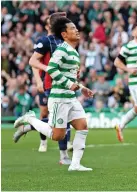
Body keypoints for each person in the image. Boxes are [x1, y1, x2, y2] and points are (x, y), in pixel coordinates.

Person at [13, 17, 94, 171]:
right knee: (58, 136)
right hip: (59, 98)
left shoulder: (73, 52)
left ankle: (75, 165)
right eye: (72, 29)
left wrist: (82, 87)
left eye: (76, 28)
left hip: (70, 98)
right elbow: (51, 69)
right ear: (64, 34)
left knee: (82, 126)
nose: (76, 30)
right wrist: (70, 84)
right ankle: (30, 119)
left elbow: (70, 77)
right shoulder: (62, 49)